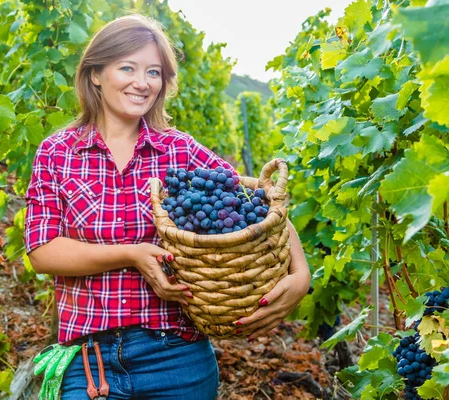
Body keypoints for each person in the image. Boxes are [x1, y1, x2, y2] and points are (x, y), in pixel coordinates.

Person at [25, 14, 311, 400]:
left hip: (177, 359)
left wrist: (301, 273)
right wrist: (131, 254)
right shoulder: (57, 153)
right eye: (127, 67)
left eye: (154, 72)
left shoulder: (180, 150)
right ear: (95, 73)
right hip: (91, 364)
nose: (142, 82)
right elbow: (42, 251)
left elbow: (256, 202)